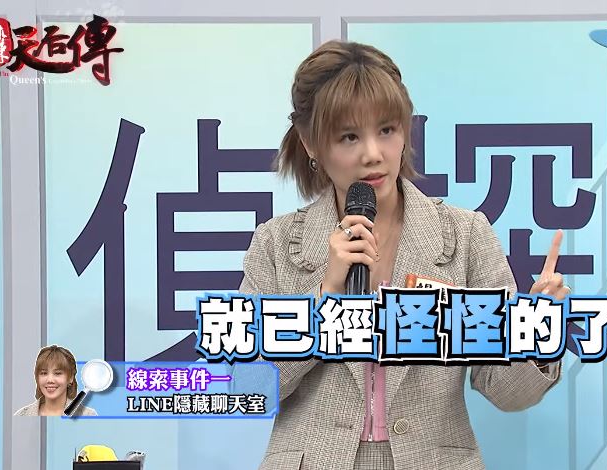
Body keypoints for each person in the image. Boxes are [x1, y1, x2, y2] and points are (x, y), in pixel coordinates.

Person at [240, 40, 568, 470]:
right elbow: (248, 388)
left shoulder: (465, 235)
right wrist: (324, 299)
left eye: (386, 130)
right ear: (311, 143)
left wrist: (536, 330)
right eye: (349, 136)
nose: (373, 154)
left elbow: (507, 391)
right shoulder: (276, 244)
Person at [14, 345, 97, 417]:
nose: (50, 380)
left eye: (57, 373)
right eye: (44, 373)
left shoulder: (88, 415)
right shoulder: (21, 415)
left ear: (70, 378)